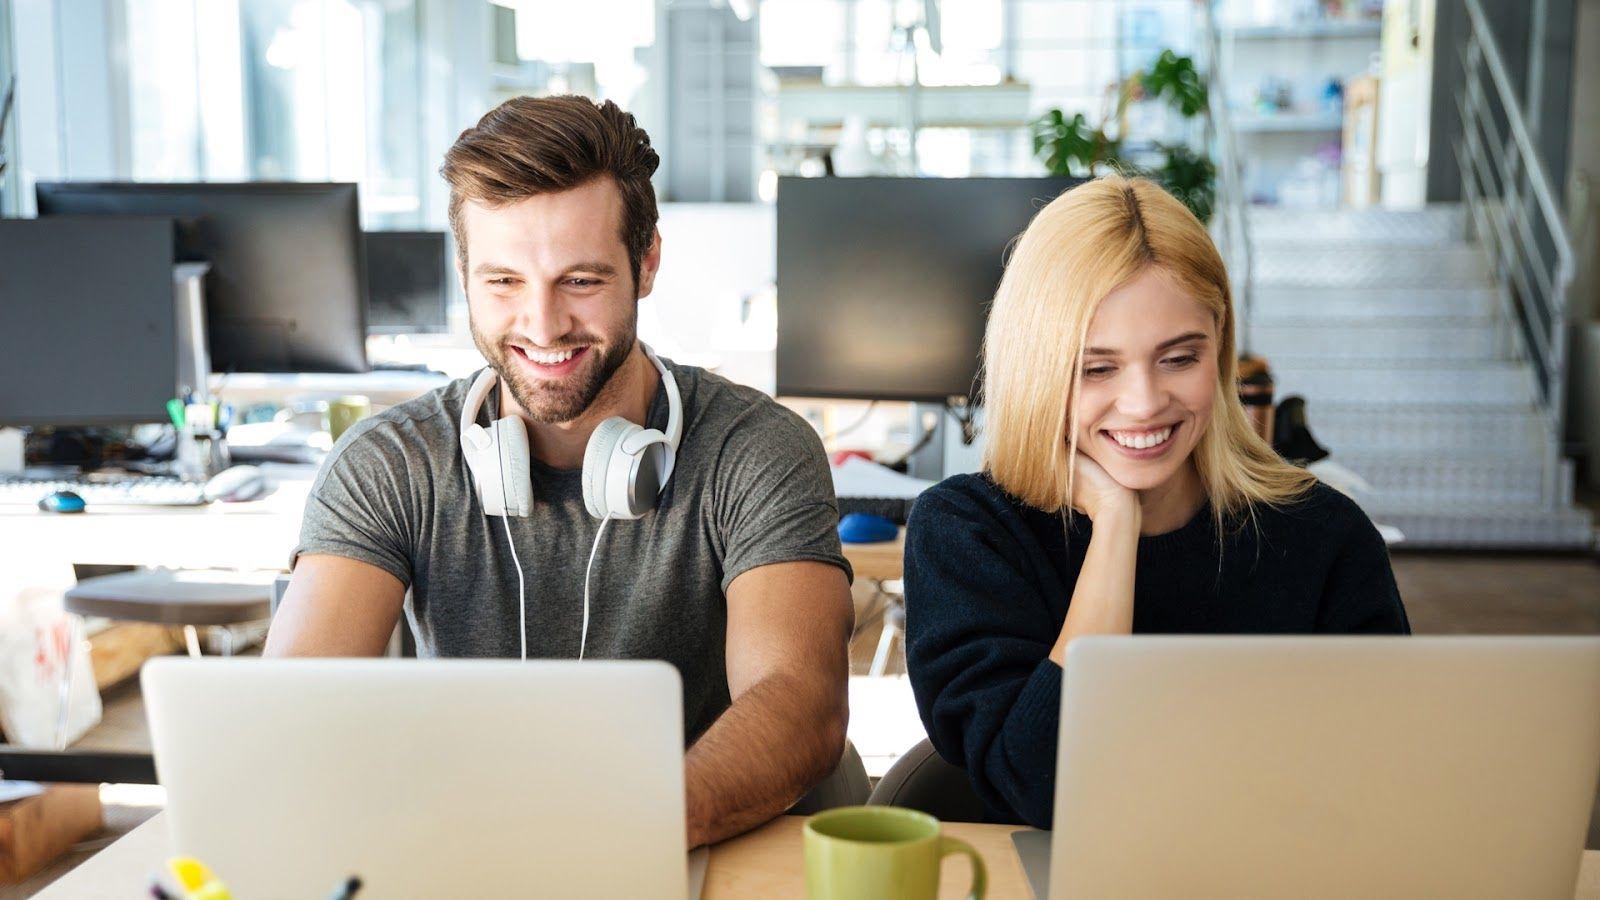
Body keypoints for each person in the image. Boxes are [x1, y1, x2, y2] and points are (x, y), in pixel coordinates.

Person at [266, 95, 855, 848]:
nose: (542, 327)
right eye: (503, 282)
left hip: (687, 846)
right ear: (464, 273)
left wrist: (606, 835)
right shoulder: (390, 463)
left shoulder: (757, 450)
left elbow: (799, 705)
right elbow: (288, 715)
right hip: (460, 851)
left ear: (646, 265)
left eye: (580, 281)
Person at [903, 175, 1410, 829]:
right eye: (1097, 368)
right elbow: (1044, 787)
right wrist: (1115, 524)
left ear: (1219, 346)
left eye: (1178, 358)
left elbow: (1388, 773)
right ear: (1036, 367)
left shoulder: (1323, 533)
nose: (1143, 402)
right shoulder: (968, 532)